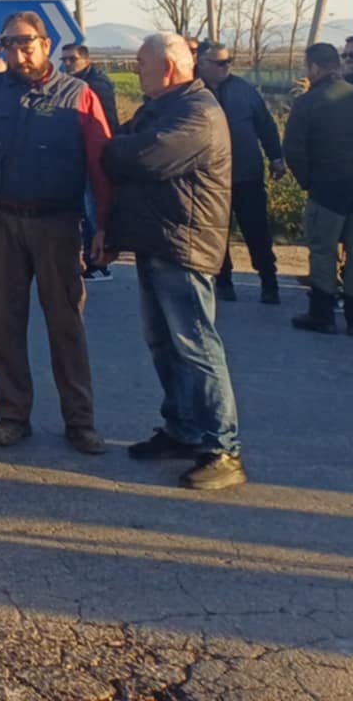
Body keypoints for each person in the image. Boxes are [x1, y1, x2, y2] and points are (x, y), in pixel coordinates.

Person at [0, 12, 113, 454]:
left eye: (27, 44)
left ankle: (80, 421)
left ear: (46, 44)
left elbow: (100, 164)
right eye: (10, 44)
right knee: (6, 325)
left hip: (57, 224)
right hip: (2, 220)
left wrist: (104, 225)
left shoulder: (78, 94)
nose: (19, 52)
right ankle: (13, 416)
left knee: (66, 325)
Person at [104, 33, 245, 492]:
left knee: (197, 346)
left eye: (142, 62)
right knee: (164, 343)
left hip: (184, 246)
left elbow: (144, 155)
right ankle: (183, 428)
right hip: (158, 240)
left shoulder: (197, 113)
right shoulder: (161, 108)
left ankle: (222, 448)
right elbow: (129, 139)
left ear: (167, 68)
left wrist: (110, 151)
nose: (135, 69)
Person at [282, 42, 353, 338]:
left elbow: (294, 151)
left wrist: (310, 182)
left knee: (323, 250)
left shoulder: (307, 103)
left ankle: (322, 314)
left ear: (315, 68)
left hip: (329, 186)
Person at [196, 44, 286, 305]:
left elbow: (266, 126)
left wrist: (276, 157)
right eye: (219, 63)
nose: (226, 67)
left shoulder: (244, 91)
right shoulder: (190, 92)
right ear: (201, 63)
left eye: (228, 62)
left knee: (257, 231)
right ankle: (223, 282)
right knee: (215, 233)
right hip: (208, 179)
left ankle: (269, 283)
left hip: (246, 174)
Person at [60, 43, 120, 283]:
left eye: (71, 60)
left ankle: (99, 262)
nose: (66, 64)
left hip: (95, 155)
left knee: (94, 207)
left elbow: (102, 124)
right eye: (63, 60)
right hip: (79, 154)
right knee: (85, 209)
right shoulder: (73, 84)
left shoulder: (95, 86)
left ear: (85, 60)